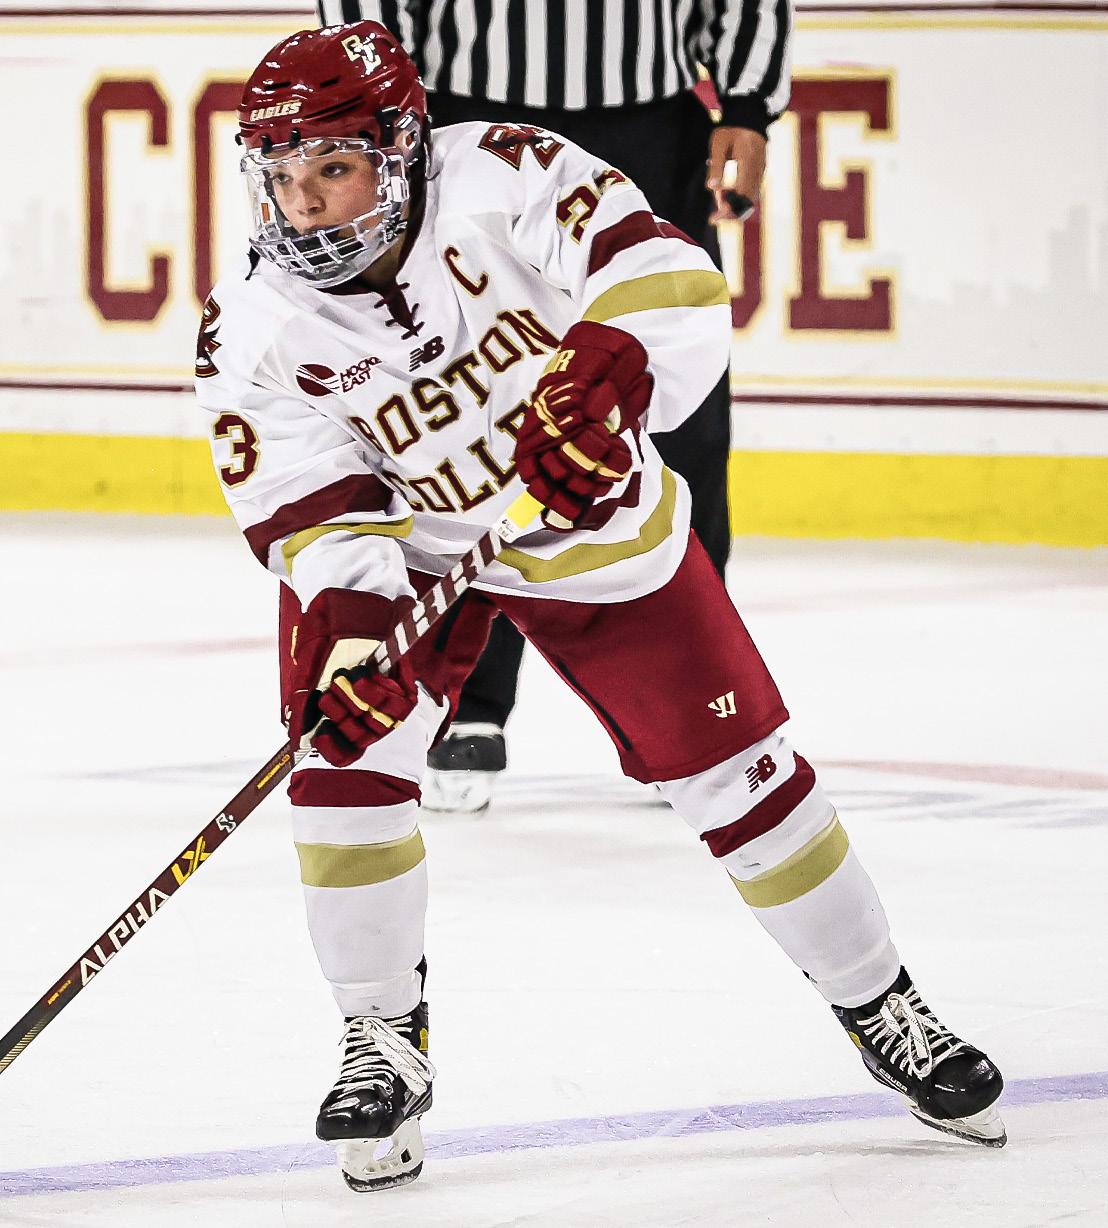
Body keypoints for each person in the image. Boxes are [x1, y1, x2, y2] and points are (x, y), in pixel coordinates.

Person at [196, 22, 1005, 1194]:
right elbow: (301, 494)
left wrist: (606, 378)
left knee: (745, 773)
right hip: (417, 542)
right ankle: (379, 1034)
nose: (307, 205)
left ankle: (883, 1002)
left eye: (334, 167)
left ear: (404, 148)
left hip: (596, 531)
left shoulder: (507, 171)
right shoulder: (253, 321)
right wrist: (355, 621)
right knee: (342, 755)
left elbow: (664, 274)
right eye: (282, 175)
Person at [317, 0, 790, 812]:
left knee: (667, 402)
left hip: (652, 120)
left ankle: (689, 703)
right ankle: (466, 702)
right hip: (466, 113)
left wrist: (745, 102)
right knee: (463, 415)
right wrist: (380, 102)